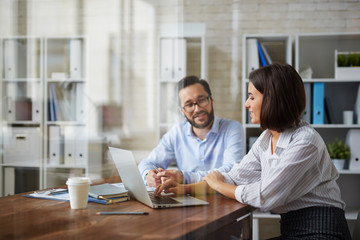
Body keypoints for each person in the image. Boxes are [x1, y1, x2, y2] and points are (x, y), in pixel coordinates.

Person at [155, 63, 351, 239]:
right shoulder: (266, 138)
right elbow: (233, 177)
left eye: (251, 97)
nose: (246, 104)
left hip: (323, 231)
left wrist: (218, 185)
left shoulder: (305, 141)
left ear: (272, 99)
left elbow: (263, 197)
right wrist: (183, 190)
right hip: (294, 229)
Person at [138, 75, 246, 187]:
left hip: (222, 198)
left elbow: (231, 170)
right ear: (181, 110)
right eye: (189, 104)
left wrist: (184, 177)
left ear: (211, 100)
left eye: (202, 100)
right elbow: (147, 163)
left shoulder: (233, 129)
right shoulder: (176, 133)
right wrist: (149, 175)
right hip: (185, 199)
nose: (198, 109)